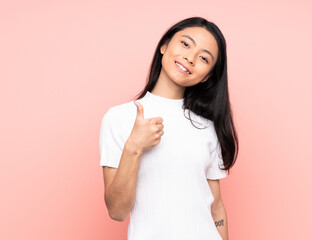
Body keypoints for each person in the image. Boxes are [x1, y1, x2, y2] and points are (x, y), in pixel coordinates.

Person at [99, 16, 239, 240]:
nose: (190, 58)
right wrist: (134, 147)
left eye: (203, 57)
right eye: (185, 44)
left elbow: (216, 208)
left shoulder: (207, 126)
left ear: (208, 77)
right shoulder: (119, 118)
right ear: (164, 46)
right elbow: (117, 211)